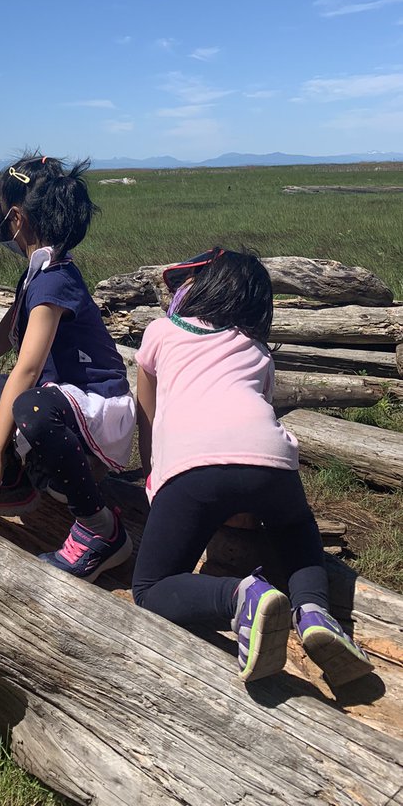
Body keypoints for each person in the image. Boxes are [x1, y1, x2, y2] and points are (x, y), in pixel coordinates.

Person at [131, 247, 373, 686]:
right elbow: (255, 417)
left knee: (150, 588)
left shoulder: (162, 331)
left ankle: (241, 597)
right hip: (271, 462)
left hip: (192, 465)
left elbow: (145, 411)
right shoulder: (258, 350)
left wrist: (154, 473)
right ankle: (315, 611)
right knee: (297, 529)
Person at [0, 156, 137, 579]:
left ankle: (100, 527)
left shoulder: (52, 282)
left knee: (27, 404)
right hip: (65, 399)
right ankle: (17, 483)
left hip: (97, 407)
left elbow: (26, 371)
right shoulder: (37, 275)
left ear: (16, 218)